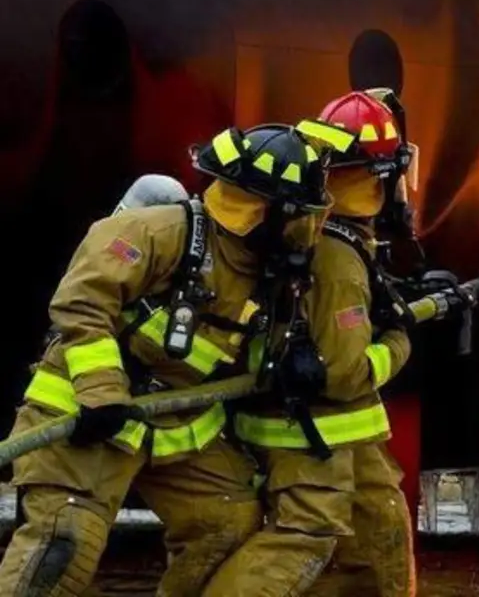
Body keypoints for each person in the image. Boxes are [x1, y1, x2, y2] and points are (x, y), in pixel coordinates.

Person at [0, 123, 332, 596]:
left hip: (177, 424)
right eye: (301, 217)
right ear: (266, 211)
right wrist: (101, 392)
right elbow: (81, 303)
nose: (308, 233)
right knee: (64, 546)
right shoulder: (157, 232)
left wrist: (291, 360)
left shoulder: (271, 273)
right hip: (89, 414)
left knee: (229, 526)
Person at [204, 98, 414, 596]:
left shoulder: (318, 234)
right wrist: (400, 343)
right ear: (380, 177)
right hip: (317, 434)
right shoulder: (338, 258)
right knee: (305, 542)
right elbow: (344, 372)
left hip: (326, 436)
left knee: (371, 551)